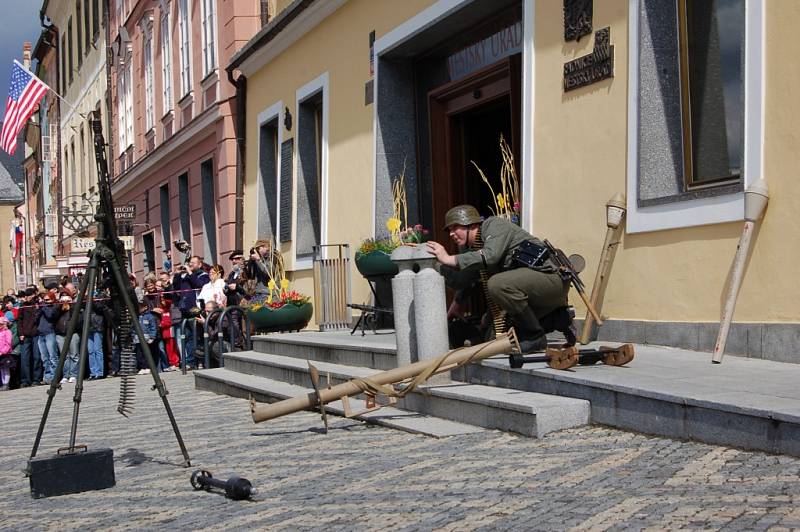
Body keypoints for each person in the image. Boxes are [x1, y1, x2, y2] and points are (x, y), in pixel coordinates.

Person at [426, 204, 571, 354]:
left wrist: (448, 258)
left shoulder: (494, 225)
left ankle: (535, 337)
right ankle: (555, 318)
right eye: (449, 230)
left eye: (455, 227)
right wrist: (434, 265)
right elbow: (463, 280)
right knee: (492, 332)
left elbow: (490, 256)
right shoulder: (471, 248)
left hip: (551, 281)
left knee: (497, 284)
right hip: (529, 290)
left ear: (471, 224)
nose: (451, 233)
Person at [172, 255, 209, 369]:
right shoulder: (185, 277)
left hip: (196, 308)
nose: (191, 264)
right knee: (187, 337)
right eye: (190, 262)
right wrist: (178, 274)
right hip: (184, 309)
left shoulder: (203, 276)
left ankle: (200, 361)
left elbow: (199, 285)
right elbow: (176, 287)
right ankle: (190, 362)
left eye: (193, 263)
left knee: (197, 336)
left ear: (199, 264)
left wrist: (190, 273)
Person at [17, 288, 42, 386]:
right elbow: (19, 321)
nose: (26, 297)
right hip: (25, 335)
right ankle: (25, 380)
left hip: (35, 334)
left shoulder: (37, 305)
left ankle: (36, 379)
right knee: (25, 358)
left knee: (36, 357)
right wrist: (20, 333)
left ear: (32, 295)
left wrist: (36, 309)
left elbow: (38, 318)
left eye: (28, 295)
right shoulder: (22, 306)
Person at [37, 291, 62, 384]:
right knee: (44, 358)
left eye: (47, 300)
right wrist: (38, 309)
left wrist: (44, 307)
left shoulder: (55, 307)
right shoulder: (42, 308)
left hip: (50, 333)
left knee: (53, 357)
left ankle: (54, 377)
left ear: (52, 299)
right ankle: (47, 377)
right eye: (44, 300)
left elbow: (50, 316)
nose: (45, 301)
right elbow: (36, 319)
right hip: (41, 334)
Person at [54, 294, 80, 384]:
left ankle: (73, 375)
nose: (65, 300)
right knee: (64, 356)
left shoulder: (74, 306)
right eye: (63, 298)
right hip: (60, 334)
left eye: (67, 298)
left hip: (72, 333)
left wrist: (71, 305)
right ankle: (66, 375)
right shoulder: (58, 308)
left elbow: (77, 317)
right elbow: (52, 316)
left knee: (74, 355)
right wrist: (59, 306)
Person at [0, 316, 14, 390]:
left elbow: (8, 344)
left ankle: (6, 384)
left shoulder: (8, 332)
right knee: (1, 369)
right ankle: (3, 384)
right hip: (0, 354)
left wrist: (3, 351)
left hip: (6, 354)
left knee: (6, 369)